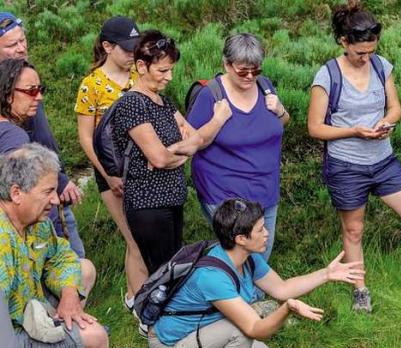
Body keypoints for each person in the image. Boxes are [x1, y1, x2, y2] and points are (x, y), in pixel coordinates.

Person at [307, 0, 401, 313]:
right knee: (354, 230)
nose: (366, 58)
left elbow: (395, 106)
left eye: (371, 51)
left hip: (384, 161)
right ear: (344, 42)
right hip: (346, 166)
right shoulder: (327, 75)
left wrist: (387, 122)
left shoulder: (380, 65)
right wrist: (354, 131)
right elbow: (315, 128)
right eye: (360, 52)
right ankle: (361, 293)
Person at [148, 198, 365, 348]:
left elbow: (282, 288)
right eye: (260, 230)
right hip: (170, 344)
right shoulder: (212, 276)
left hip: (205, 330)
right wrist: (287, 308)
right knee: (240, 333)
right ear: (241, 238)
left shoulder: (247, 257)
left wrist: (326, 274)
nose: (267, 233)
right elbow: (255, 329)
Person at [112, 29, 231, 276]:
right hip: (148, 204)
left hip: (171, 200)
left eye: (171, 70)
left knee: (173, 269)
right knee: (164, 274)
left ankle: (166, 313)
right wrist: (182, 151)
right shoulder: (133, 103)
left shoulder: (163, 102)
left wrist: (176, 150)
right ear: (141, 67)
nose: (169, 77)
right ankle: (157, 314)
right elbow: (159, 158)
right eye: (163, 70)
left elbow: (196, 139)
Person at [187, 32, 290, 262]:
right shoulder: (210, 95)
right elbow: (192, 143)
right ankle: (232, 297)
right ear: (226, 64)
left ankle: (254, 296)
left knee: (261, 255)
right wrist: (218, 120)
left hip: (266, 189)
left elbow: (281, 123)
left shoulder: (265, 86)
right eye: (243, 70)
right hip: (224, 194)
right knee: (241, 257)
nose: (250, 76)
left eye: (256, 70)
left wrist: (280, 110)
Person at [0, 143, 108, 348]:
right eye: (48, 191)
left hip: (29, 311)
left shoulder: (36, 223)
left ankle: (65, 323)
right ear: (16, 193)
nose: (56, 200)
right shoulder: (2, 238)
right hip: (8, 335)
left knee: (84, 268)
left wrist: (69, 294)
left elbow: (61, 255)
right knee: (96, 336)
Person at [75, 16, 147, 309]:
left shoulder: (138, 77)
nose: (133, 54)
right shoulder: (90, 85)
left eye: (137, 48)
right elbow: (85, 137)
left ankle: (139, 296)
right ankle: (138, 301)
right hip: (112, 174)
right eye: (128, 49)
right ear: (107, 46)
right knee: (133, 237)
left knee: (144, 234)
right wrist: (110, 174)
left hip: (143, 168)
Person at [0, 11, 85, 258]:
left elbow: (43, 133)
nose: (20, 48)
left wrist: (60, 176)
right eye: (11, 44)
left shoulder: (25, 77)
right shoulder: (12, 132)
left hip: (45, 179)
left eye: (22, 40)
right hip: (33, 192)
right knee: (69, 263)